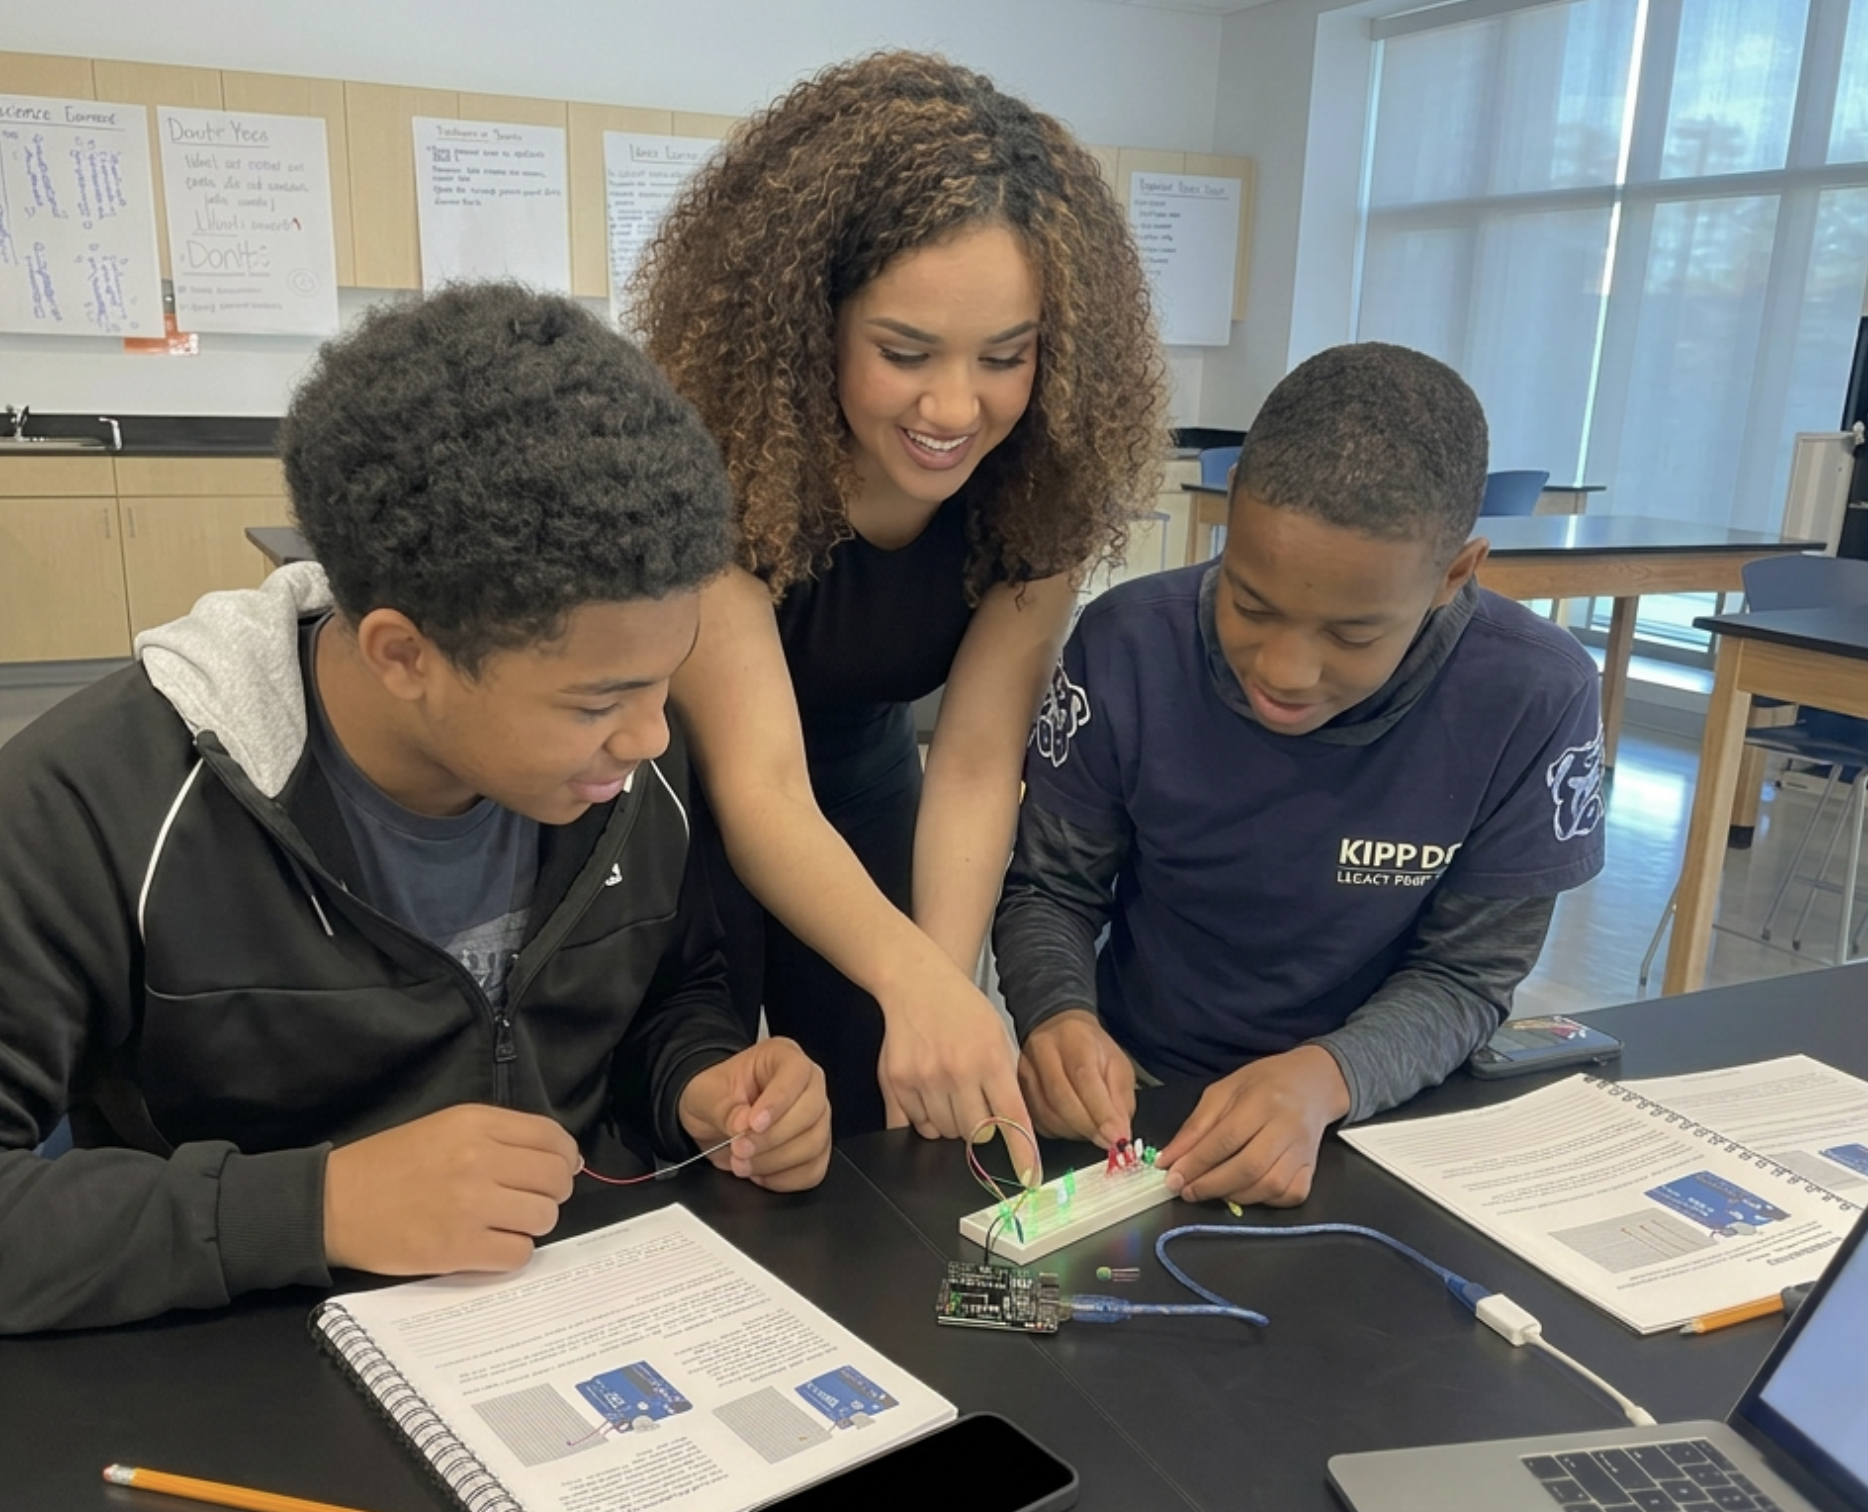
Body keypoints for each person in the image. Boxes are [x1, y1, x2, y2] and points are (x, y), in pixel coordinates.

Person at [0, 283, 831, 1334]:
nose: (652, 738)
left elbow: (665, 997)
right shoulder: (99, 806)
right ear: (404, 655)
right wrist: (315, 1209)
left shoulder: (622, 768)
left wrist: (703, 1085)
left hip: (565, 1329)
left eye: (666, 680)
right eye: (596, 702)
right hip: (248, 1357)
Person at [632, 51, 1167, 1142]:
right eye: (904, 350)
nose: (953, 405)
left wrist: (940, 983)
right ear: (803, 326)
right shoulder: (720, 461)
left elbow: (972, 760)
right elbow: (759, 780)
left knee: (890, 1104)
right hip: (683, 799)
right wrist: (916, 987)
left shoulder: (1042, 481)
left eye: (1003, 356)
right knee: (726, 1122)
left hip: (870, 788)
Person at [994, 342, 1607, 1208]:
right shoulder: (1129, 646)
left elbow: (1468, 976)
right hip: (1142, 1093)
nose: (1282, 670)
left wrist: (1326, 1079)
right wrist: (1059, 1013)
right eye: (1250, 602)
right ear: (1230, 512)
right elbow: (1050, 890)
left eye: (1353, 636)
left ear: (1454, 574)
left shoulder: (1533, 695)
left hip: (1379, 1115)